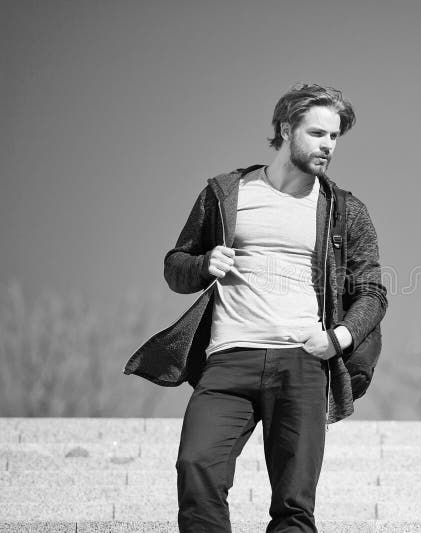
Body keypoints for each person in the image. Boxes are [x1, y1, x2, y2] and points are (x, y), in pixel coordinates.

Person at [125, 83, 388, 533]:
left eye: (335, 136)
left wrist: (336, 339)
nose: (328, 145)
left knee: (293, 505)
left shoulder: (345, 210)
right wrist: (205, 262)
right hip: (229, 360)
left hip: (303, 363)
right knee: (196, 468)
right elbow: (175, 266)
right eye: (318, 133)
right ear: (286, 129)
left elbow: (372, 292)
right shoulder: (226, 192)